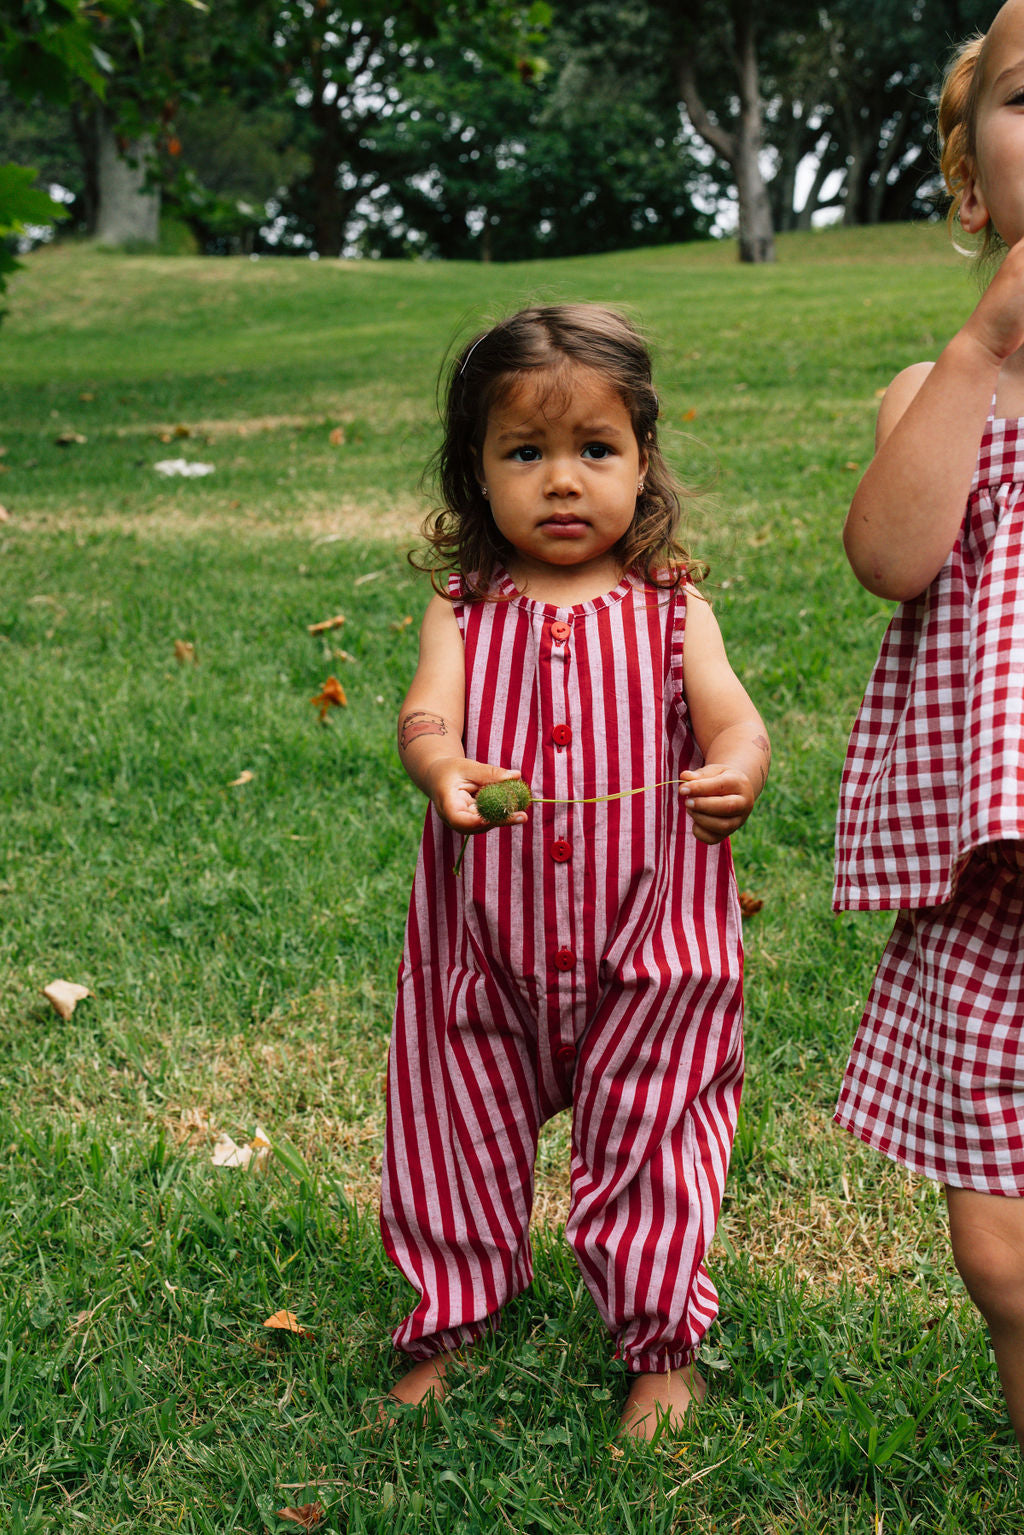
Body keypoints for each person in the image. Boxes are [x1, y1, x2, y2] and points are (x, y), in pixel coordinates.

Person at [379, 302, 770, 1442]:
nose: (562, 481)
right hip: (484, 951)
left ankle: (658, 1345)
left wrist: (736, 768)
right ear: (476, 471)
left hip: (654, 948)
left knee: (654, 1136)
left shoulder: (670, 610)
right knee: (452, 1132)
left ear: (642, 462)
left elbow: (735, 721)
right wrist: (441, 763)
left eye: (594, 450)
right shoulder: (463, 607)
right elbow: (424, 714)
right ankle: (449, 1317)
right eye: (524, 453)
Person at [834, 0, 1024, 1453]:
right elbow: (894, 556)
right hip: (996, 892)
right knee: (1006, 1262)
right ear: (972, 184)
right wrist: (980, 353)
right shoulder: (934, 389)